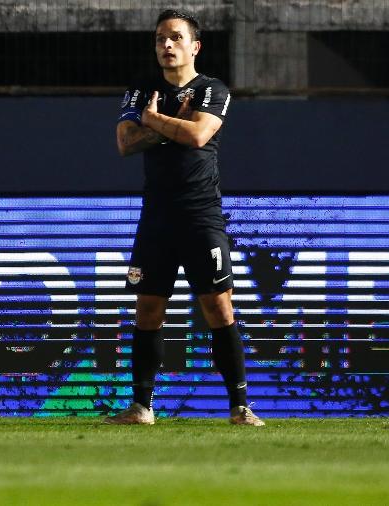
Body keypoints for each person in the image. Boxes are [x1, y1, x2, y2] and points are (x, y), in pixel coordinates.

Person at [104, 9, 263, 426]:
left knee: (218, 307)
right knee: (148, 308)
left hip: (200, 215)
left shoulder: (213, 89)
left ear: (195, 46)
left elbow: (197, 136)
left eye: (175, 38)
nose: (166, 45)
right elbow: (124, 143)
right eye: (160, 39)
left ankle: (240, 407)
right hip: (156, 216)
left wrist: (155, 121)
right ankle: (141, 407)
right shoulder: (141, 89)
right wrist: (171, 123)